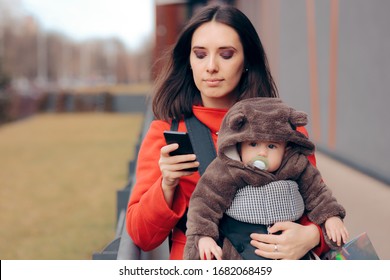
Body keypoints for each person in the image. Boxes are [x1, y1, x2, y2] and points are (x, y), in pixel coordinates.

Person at [126, 4, 329, 260]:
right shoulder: (167, 131)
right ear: (188, 61)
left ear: (246, 61)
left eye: (226, 54)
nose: (211, 66)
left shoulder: (285, 128)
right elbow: (141, 236)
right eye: (200, 55)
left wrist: (312, 237)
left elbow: (322, 207)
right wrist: (166, 184)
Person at [183, 97, 349, 260]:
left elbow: (318, 192)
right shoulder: (228, 169)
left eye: (271, 146)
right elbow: (205, 201)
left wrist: (331, 217)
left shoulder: (295, 165)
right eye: (253, 144)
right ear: (239, 145)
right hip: (240, 249)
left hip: (291, 249)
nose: (262, 153)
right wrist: (203, 236)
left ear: (285, 148)